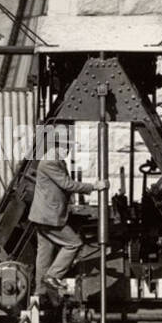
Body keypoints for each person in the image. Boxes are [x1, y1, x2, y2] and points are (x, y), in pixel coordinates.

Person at [28, 124, 107, 298]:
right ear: (57, 145)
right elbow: (67, 184)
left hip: (42, 216)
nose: (69, 149)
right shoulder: (50, 162)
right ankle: (52, 277)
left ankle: (40, 294)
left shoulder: (55, 159)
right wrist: (94, 186)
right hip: (49, 217)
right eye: (66, 145)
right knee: (74, 243)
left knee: (45, 253)